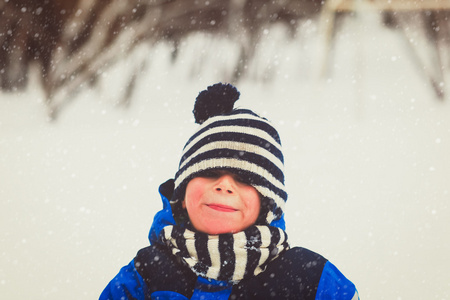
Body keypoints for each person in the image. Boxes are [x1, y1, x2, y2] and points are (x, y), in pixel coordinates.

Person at [100, 83, 359, 299]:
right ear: (181, 194)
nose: (224, 185)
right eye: (210, 173)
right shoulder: (145, 275)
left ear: (268, 204)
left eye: (245, 179)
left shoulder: (309, 278)